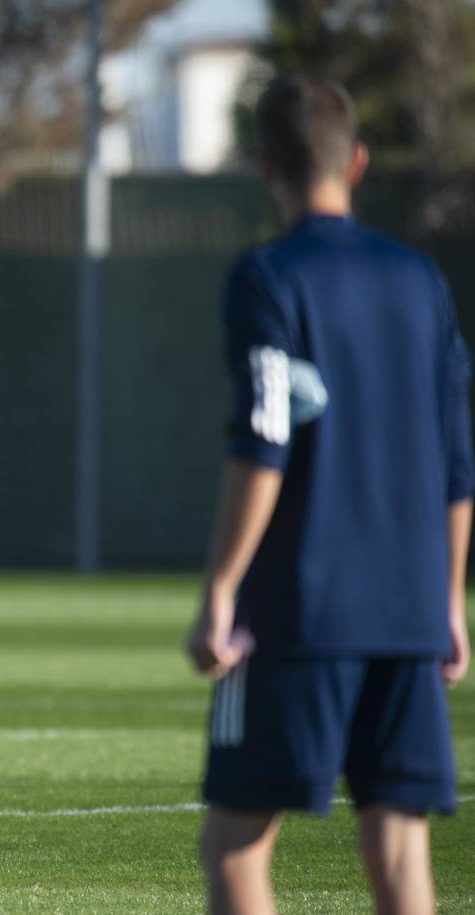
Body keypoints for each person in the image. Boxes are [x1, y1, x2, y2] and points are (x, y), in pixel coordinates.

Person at [185, 76, 472, 914]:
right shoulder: (422, 279)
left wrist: (221, 589)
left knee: (236, 845)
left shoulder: (268, 276)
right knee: (401, 848)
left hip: (299, 606)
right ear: (357, 160)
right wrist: (448, 601)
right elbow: (459, 460)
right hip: (412, 604)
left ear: (264, 164)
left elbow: (265, 440)